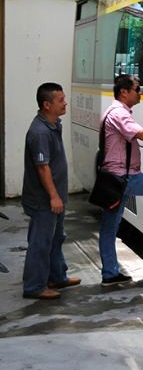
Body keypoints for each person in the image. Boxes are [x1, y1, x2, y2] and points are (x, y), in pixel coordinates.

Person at [98, 74, 143, 286]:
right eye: (137, 89)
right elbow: (142, 134)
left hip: (114, 178)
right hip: (124, 177)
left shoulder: (113, 111)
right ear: (124, 92)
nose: (140, 93)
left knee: (108, 228)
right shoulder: (119, 114)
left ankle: (110, 273)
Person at [21, 82, 80, 300]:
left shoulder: (53, 125)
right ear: (47, 105)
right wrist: (54, 196)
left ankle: (57, 276)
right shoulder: (40, 132)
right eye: (61, 100)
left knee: (56, 238)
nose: (65, 103)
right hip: (44, 200)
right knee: (41, 242)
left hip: (56, 198)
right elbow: (42, 167)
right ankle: (34, 286)